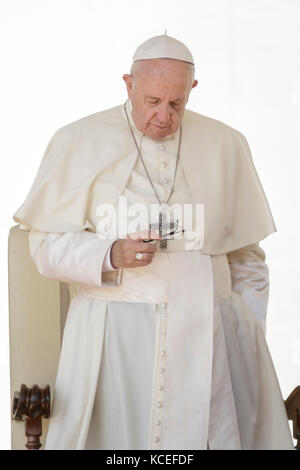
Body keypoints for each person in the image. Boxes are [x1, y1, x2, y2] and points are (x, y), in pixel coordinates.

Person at [12, 34, 294, 450]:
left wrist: (245, 334)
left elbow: (248, 259)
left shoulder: (227, 144)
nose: (164, 116)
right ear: (128, 84)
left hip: (213, 336)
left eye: (176, 104)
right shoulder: (78, 140)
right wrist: (110, 253)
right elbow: (44, 246)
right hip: (115, 339)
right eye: (152, 101)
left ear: (192, 91)